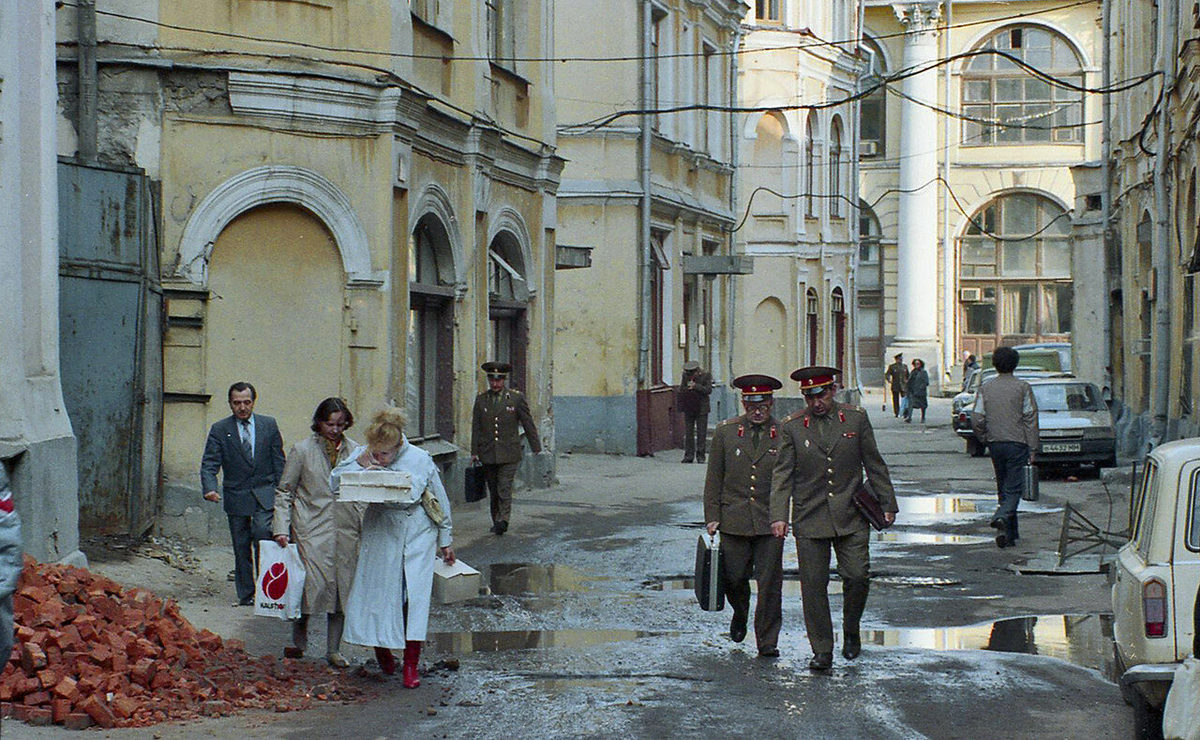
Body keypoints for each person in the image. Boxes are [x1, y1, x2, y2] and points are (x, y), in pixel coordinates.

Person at [770, 366, 898, 672]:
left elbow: (874, 463)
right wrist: (778, 515)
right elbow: (782, 474)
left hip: (851, 514)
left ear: (833, 390)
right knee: (813, 587)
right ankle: (822, 649)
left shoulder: (855, 419)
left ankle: (851, 628)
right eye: (809, 396)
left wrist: (887, 502)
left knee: (857, 575)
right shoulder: (793, 427)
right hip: (810, 516)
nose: (816, 402)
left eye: (822, 394)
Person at [332, 408, 455, 688]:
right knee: (379, 595)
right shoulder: (367, 453)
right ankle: (383, 653)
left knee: (414, 599)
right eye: (375, 453)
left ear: (398, 445)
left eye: (384, 454)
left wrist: (445, 541)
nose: (379, 458)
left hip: (417, 533)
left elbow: (440, 500)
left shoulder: (420, 459)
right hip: (382, 529)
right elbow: (335, 482)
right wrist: (361, 464)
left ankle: (410, 664)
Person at [272, 397, 364, 667]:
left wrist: (363, 522)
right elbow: (284, 491)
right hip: (311, 529)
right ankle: (299, 644)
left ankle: (333, 650)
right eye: (329, 424)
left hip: (346, 529)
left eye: (340, 424)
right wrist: (281, 528)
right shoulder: (302, 450)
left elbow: (362, 489)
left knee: (341, 591)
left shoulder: (356, 452)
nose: (335, 430)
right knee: (309, 589)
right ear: (319, 423)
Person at [704, 374, 785, 658]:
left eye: (762, 404)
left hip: (770, 521)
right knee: (734, 577)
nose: (757, 410)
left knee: (770, 584)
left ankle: (767, 640)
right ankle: (740, 611)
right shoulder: (726, 433)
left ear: (771, 403)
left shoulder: (785, 433)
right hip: (734, 519)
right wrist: (712, 516)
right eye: (752, 404)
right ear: (743, 403)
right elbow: (714, 478)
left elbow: (791, 479)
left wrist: (787, 515)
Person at [202, 382, 286, 606]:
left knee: (263, 536)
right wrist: (210, 487)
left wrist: (283, 492)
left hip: (264, 493)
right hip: (236, 494)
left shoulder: (268, 425)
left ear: (253, 402)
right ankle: (246, 594)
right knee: (240, 545)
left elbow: (279, 460)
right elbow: (210, 462)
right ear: (230, 404)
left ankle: (266, 590)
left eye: (246, 402)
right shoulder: (220, 429)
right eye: (237, 403)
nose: (242, 407)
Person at [972, 346, 1039, 549]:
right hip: (1017, 443)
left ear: (995, 364)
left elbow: (977, 416)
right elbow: (1030, 417)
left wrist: (984, 437)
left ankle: (1010, 534)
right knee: (1014, 489)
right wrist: (1033, 446)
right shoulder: (1022, 387)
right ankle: (1001, 516)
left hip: (995, 443)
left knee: (1003, 486)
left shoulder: (986, 387)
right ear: (1015, 365)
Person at [471, 361, 542, 535]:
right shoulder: (481, 400)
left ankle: (503, 520)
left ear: (504, 380)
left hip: (509, 453)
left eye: (499, 380)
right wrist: (474, 452)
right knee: (493, 489)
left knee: (504, 487)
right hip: (488, 453)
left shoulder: (516, 399)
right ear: (489, 380)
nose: (495, 384)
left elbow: (528, 423)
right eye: (492, 380)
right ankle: (496, 520)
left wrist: (536, 446)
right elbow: (476, 427)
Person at [678, 360, 713, 463]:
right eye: (688, 372)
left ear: (697, 371)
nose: (690, 374)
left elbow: (708, 390)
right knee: (689, 433)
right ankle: (688, 456)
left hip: (702, 407)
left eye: (692, 372)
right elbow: (682, 388)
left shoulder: (706, 375)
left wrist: (696, 386)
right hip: (689, 406)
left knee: (701, 433)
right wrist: (687, 389)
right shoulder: (685, 376)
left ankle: (701, 456)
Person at [904, 358, 929, 424]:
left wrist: (921, 388)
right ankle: (909, 417)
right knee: (910, 405)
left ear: (920, 364)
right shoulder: (913, 372)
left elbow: (926, 382)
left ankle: (923, 417)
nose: (916, 365)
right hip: (912, 391)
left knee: (922, 406)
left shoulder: (923, 372)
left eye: (918, 364)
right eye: (915, 364)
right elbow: (909, 381)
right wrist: (907, 389)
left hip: (921, 392)